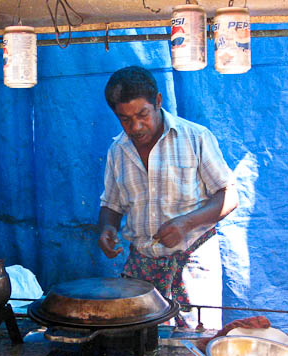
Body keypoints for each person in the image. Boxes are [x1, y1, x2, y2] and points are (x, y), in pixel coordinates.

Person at [98, 66, 239, 327]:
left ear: (158, 102)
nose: (136, 126)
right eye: (125, 119)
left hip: (193, 265)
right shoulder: (117, 151)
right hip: (141, 270)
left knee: (194, 342)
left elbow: (229, 195)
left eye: (143, 114)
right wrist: (107, 227)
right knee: (142, 342)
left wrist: (186, 223)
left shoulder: (195, 137)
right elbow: (112, 205)